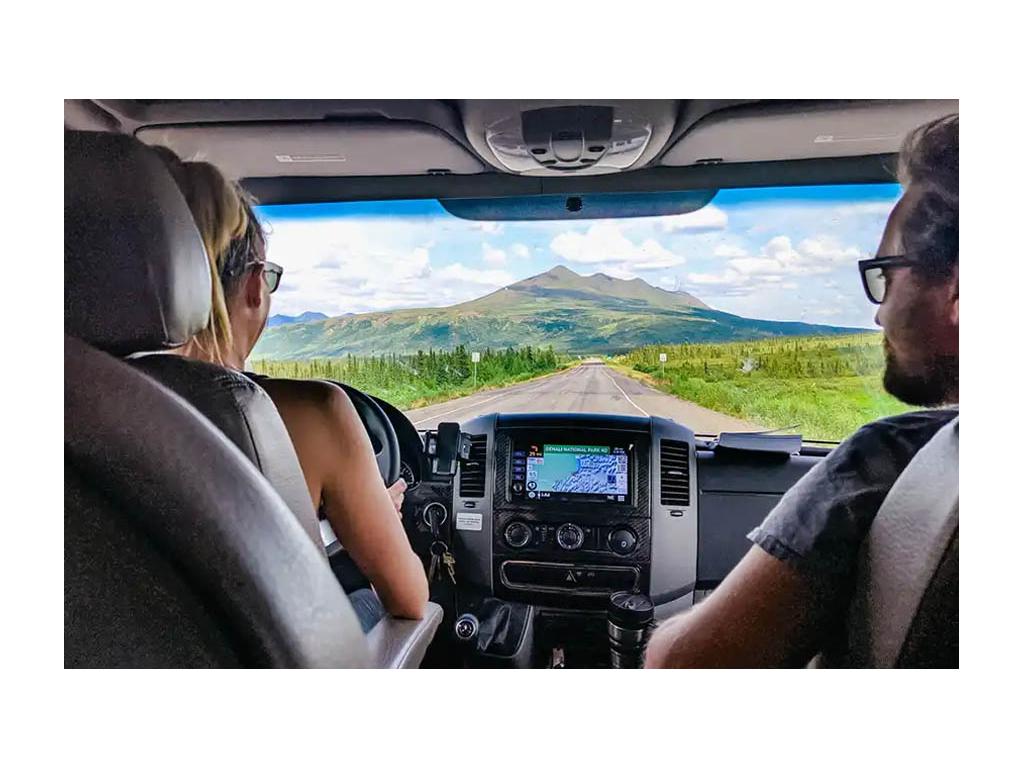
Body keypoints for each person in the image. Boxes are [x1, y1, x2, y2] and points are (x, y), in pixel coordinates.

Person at [644, 114, 959, 668]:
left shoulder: (888, 460)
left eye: (885, 274)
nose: (880, 312)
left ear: (959, 290)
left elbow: (680, 668)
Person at [154, 148, 428, 631]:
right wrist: (373, 516)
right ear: (257, 286)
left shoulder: (75, 403)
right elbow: (409, 599)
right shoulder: (313, 413)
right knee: (364, 598)